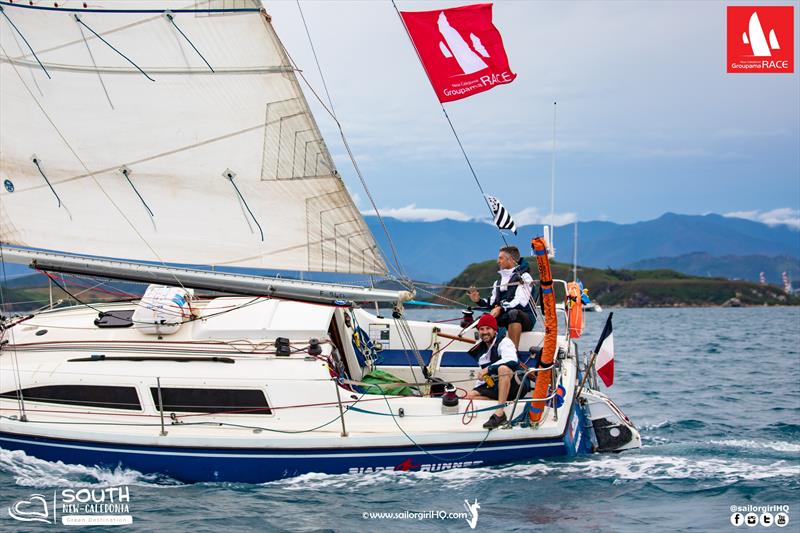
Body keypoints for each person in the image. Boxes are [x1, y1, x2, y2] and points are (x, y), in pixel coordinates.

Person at [467, 246, 534, 349]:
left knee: (514, 314)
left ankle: (513, 353)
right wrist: (478, 300)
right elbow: (492, 303)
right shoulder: (497, 282)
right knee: (483, 319)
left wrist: (501, 308)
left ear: (510, 259)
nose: (498, 261)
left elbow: (520, 302)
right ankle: (490, 351)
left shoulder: (525, 277)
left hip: (524, 318)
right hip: (505, 316)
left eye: (501, 258)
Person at [466, 313, 520, 429]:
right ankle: (500, 398)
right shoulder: (482, 347)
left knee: (503, 368)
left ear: (495, 330)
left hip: (515, 385)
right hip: (495, 385)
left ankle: (500, 413)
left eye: (488, 328)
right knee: (468, 396)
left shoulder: (505, 342)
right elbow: (483, 373)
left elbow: (512, 360)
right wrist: (476, 388)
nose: (484, 332)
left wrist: (489, 369)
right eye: (481, 329)